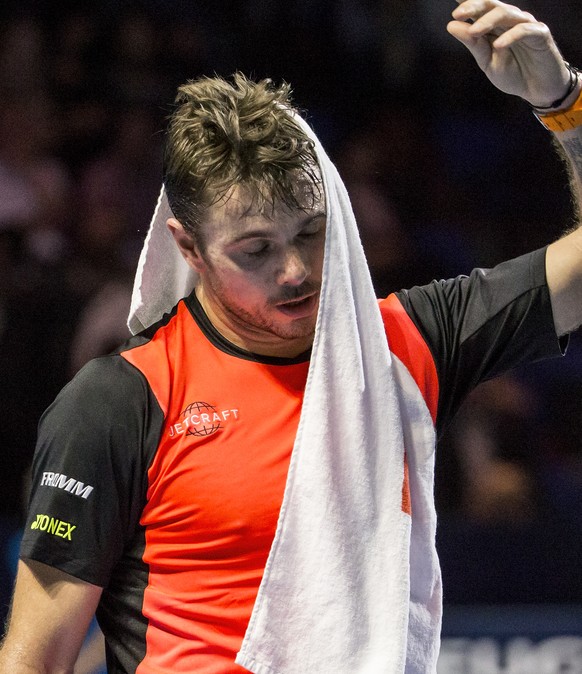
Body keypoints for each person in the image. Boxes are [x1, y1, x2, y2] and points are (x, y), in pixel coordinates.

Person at [2, 1, 582, 672]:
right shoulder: (119, 402)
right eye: (255, 250)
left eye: (311, 230)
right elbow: (34, 658)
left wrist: (562, 100)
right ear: (188, 249)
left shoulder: (406, 347)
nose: (296, 270)